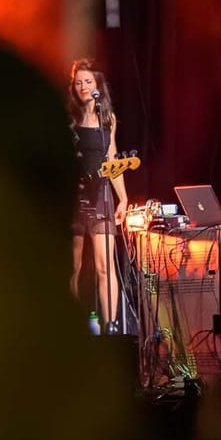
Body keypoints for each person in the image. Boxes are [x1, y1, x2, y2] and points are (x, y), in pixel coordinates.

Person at [67, 59, 130, 331]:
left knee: (106, 266)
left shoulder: (107, 119)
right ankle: (69, 326)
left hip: (101, 195)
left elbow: (112, 159)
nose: (83, 86)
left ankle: (111, 325)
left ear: (97, 85)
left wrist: (123, 198)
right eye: (78, 82)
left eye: (88, 81)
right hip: (74, 197)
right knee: (74, 266)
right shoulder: (70, 119)